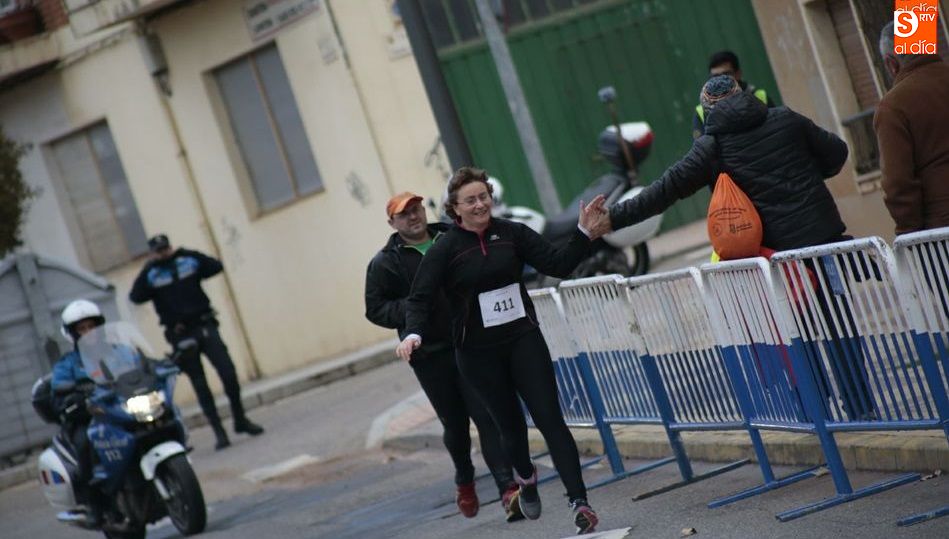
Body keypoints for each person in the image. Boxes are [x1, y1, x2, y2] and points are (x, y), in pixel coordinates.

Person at [588, 74, 877, 421]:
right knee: (839, 327)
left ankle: (818, 416)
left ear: (708, 108)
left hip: (776, 264)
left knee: (795, 337)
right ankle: (862, 410)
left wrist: (612, 218)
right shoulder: (786, 119)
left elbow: (664, 191)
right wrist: (806, 174)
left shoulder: (712, 147)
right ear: (745, 94)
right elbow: (837, 154)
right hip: (824, 244)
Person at [396, 168, 607, 535]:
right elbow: (421, 297)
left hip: (523, 339)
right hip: (477, 353)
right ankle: (525, 478)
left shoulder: (511, 233)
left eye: (484, 197)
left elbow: (557, 264)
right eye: (470, 200)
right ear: (455, 209)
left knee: (550, 418)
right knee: (510, 427)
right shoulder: (446, 247)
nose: (480, 205)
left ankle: (580, 502)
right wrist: (412, 333)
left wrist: (584, 234)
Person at [365, 192, 521, 522]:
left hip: (468, 342)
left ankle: (508, 489)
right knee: (456, 424)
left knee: (486, 416)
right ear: (392, 223)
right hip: (429, 355)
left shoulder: (451, 237)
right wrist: (412, 308)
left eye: (416, 209)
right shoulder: (384, 263)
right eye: (404, 214)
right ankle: (465, 479)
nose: (413, 216)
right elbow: (374, 309)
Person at [129, 234, 263, 450]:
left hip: (204, 325)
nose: (164, 253)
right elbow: (136, 296)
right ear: (153, 253)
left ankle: (240, 419)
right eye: (159, 251)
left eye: (166, 249)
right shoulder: (152, 274)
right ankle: (219, 431)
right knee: (201, 385)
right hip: (180, 334)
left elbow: (215, 266)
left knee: (228, 373)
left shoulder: (188, 262)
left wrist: (184, 252)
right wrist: (148, 266)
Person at [874, 21, 949, 235]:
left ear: (891, 63)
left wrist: (910, 234)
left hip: (941, 228)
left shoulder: (893, 106)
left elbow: (898, 183)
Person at [52, 299, 108, 525]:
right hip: (88, 417)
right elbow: (59, 386)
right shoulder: (68, 363)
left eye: (91, 326)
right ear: (73, 334)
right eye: (82, 329)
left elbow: (137, 363)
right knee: (85, 443)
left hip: (115, 409)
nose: (89, 333)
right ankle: (94, 505)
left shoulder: (117, 351)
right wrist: (75, 391)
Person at [693, 50, 775, 140]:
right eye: (715, 76)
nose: (721, 80)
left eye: (726, 74)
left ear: (738, 74)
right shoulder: (701, 111)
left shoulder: (761, 97)